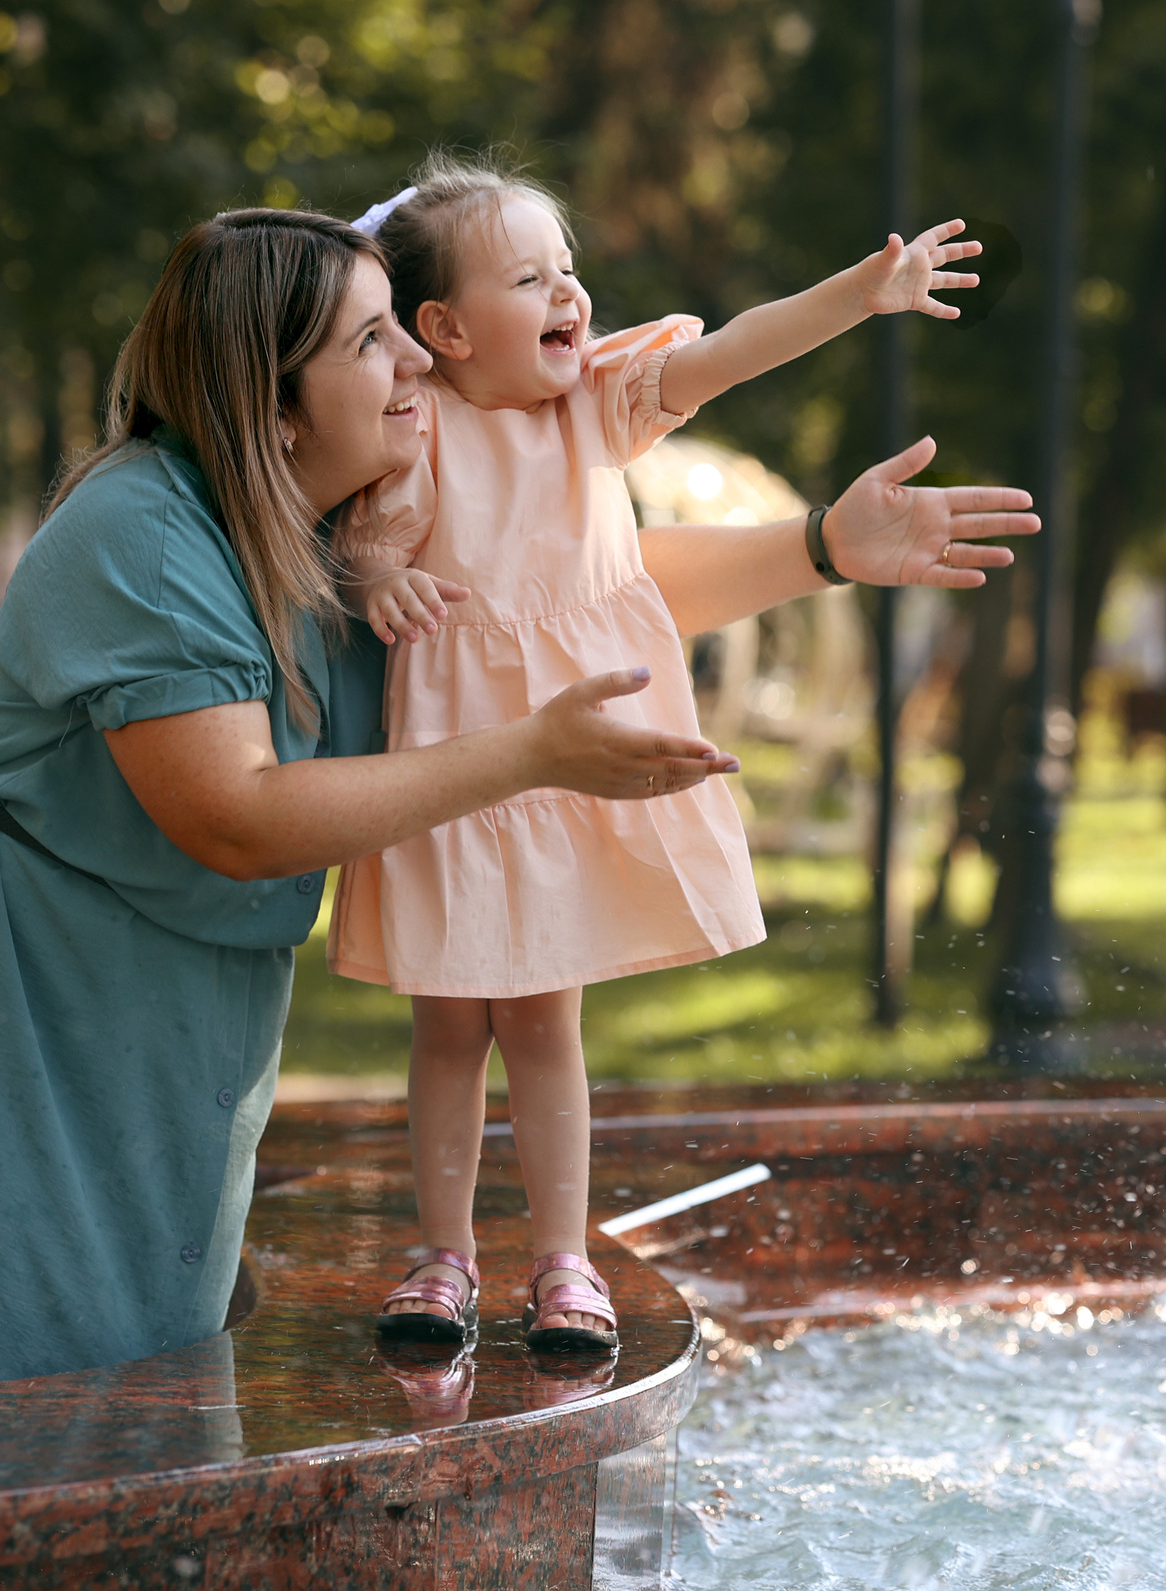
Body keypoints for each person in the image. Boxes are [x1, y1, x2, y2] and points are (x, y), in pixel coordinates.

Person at [0, 207, 1036, 1404]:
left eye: (404, 325)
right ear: (270, 400)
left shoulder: (324, 521)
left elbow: (584, 590)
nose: (414, 359)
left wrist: (825, 544)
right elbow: (234, 816)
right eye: (370, 341)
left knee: (126, 1401)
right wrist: (527, 757)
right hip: (9, 988)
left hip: (172, 992)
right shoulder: (145, 530)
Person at [329, 155, 990, 1353]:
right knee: (446, 1024)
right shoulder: (415, 431)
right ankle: (440, 1256)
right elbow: (357, 545)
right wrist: (384, 580)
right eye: (530, 277)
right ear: (444, 330)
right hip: (459, 759)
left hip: (571, 762)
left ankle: (564, 1262)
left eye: (568, 269)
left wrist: (861, 293)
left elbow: (730, 350)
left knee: (542, 1021)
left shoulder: (595, 405)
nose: (569, 294)